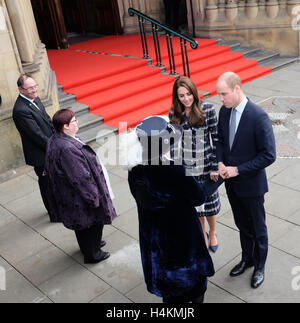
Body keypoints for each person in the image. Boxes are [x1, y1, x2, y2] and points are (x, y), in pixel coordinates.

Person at [121, 115, 215, 303]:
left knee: (170, 297)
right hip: (183, 242)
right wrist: (214, 181)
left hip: (156, 244)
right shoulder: (174, 170)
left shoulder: (136, 171)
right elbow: (199, 197)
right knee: (194, 291)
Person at [216, 71, 276, 288]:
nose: (220, 99)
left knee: (258, 228)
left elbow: (269, 155)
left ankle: (259, 266)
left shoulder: (258, 116)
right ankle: (247, 259)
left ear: (237, 89)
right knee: (242, 224)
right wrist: (221, 163)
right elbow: (221, 141)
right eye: (219, 94)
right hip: (232, 184)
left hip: (251, 185)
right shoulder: (224, 111)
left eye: (224, 94)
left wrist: (238, 170)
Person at [44, 109, 117, 264]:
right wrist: (93, 197)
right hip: (81, 196)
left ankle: (89, 246)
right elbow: (81, 177)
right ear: (65, 126)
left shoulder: (58, 138)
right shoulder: (67, 148)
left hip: (72, 196)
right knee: (93, 223)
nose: (77, 122)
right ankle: (93, 253)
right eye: (74, 121)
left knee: (82, 225)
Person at [169, 76, 220, 252]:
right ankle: (202, 233)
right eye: (181, 96)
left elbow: (217, 139)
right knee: (196, 208)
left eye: (189, 94)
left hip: (207, 167)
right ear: (177, 98)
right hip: (187, 169)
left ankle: (212, 233)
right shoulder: (174, 114)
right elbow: (173, 144)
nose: (186, 99)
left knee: (210, 206)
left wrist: (215, 166)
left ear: (194, 92)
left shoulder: (208, 109)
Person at [12, 74, 56, 222]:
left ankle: (57, 207)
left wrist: (57, 136)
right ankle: (54, 214)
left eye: (35, 86)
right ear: (20, 89)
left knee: (53, 183)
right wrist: (55, 146)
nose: (34, 90)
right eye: (30, 88)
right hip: (39, 155)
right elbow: (36, 135)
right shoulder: (20, 110)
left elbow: (47, 120)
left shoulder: (34, 98)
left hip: (48, 147)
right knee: (46, 185)